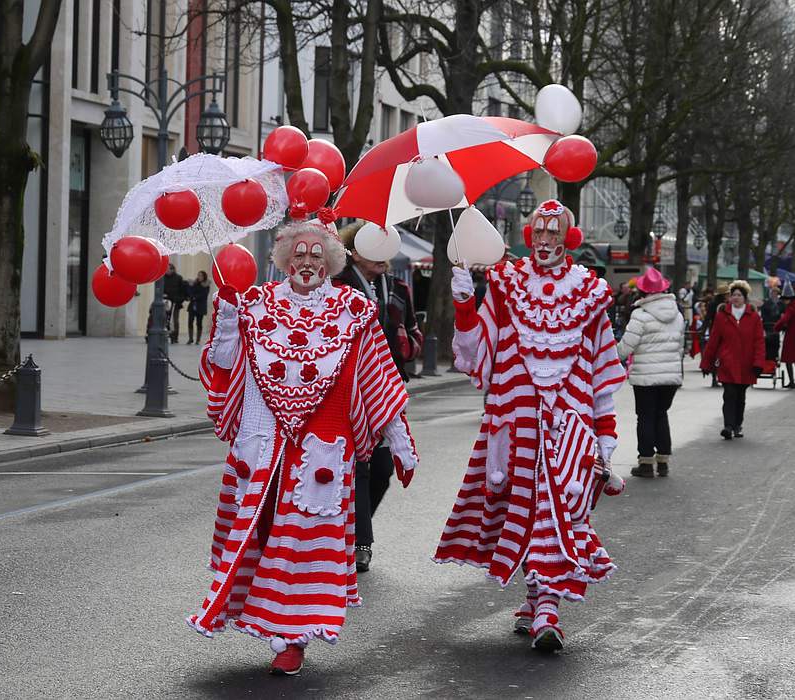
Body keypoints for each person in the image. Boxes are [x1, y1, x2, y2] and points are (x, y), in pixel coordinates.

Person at [187, 218, 419, 676]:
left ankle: (293, 637)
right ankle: (268, 621)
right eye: (299, 252)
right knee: (263, 535)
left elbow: (378, 378)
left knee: (305, 546)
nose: (307, 261)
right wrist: (230, 317)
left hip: (322, 452)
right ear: (284, 258)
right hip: (266, 449)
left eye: (317, 254)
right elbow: (225, 362)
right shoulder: (258, 304)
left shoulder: (353, 310)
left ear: (331, 262)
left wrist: (400, 441)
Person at [434, 199, 626, 653]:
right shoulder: (504, 284)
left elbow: (602, 371)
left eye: (553, 233)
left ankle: (548, 611)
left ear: (568, 238)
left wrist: (605, 435)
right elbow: (476, 357)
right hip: (513, 420)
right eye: (538, 233)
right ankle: (535, 595)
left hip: (570, 426)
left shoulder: (591, 293)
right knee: (521, 512)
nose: (545, 241)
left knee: (557, 511)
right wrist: (464, 304)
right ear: (528, 236)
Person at [332, 223, 423, 573]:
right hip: (350, 388)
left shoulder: (398, 287)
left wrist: (408, 345)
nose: (384, 256)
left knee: (384, 469)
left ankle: (352, 526)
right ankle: (359, 543)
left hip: (388, 388)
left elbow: (413, 328)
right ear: (355, 251)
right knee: (359, 468)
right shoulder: (339, 286)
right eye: (375, 247)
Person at [617, 268, 685, 478]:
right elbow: (680, 345)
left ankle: (646, 462)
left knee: (645, 417)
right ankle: (663, 461)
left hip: (646, 377)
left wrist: (612, 355)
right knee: (661, 415)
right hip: (670, 376)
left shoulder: (640, 315)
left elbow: (626, 346)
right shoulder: (677, 314)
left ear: (643, 292)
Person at [700, 280, 765, 439]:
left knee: (740, 396)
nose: (735, 298)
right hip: (727, 363)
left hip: (746, 364)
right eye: (733, 295)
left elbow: (759, 342)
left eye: (739, 295)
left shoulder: (754, 317)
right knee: (729, 394)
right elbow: (714, 341)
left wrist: (758, 363)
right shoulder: (722, 316)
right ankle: (728, 426)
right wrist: (706, 363)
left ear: (745, 297)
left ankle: (737, 425)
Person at [702, 283, 729, 387]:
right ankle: (715, 377)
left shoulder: (725, 303)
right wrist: (704, 330)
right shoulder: (715, 304)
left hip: (720, 331)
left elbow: (707, 318)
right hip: (717, 331)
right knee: (716, 355)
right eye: (727, 294)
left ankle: (718, 377)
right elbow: (708, 317)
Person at [163, 263, 186, 343]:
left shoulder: (178, 278)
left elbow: (182, 291)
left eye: (168, 269)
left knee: (175, 320)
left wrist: (179, 299)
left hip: (176, 302)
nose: (166, 271)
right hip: (166, 302)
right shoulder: (163, 278)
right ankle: (165, 334)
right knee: (165, 319)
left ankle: (175, 336)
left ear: (172, 269)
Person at [186, 270, 210, 344]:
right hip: (192, 305)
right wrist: (190, 286)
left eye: (201, 275)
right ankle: (190, 339)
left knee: (199, 323)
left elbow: (204, 295)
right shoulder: (194, 283)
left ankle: (198, 339)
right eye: (198, 275)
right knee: (190, 321)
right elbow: (190, 292)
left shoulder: (206, 285)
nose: (199, 277)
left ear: (204, 277)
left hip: (200, 306)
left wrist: (195, 297)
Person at [760, 284, 782, 362]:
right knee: (767, 340)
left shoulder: (780, 303)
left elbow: (783, 313)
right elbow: (763, 313)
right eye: (773, 292)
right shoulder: (767, 303)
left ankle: (775, 355)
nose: (774, 294)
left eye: (775, 293)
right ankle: (768, 356)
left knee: (775, 340)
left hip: (777, 324)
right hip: (767, 324)